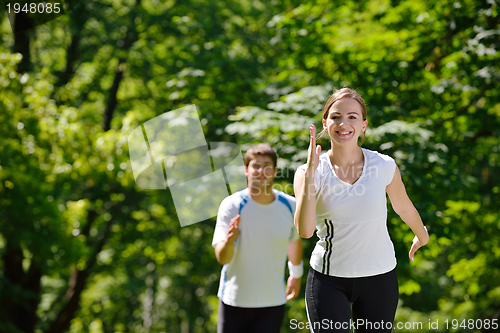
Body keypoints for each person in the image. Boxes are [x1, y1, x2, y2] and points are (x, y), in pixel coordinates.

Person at [293, 87, 429, 332]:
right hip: (328, 279)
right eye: (335, 116)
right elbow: (304, 230)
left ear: (364, 125)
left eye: (352, 116)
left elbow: (404, 207)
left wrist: (422, 235)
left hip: (380, 278)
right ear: (325, 123)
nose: (343, 123)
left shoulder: (384, 165)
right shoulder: (307, 172)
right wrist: (311, 176)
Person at [212, 143, 303, 333]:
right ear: (246, 170)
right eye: (256, 165)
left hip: (272, 302)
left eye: (267, 166)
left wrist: (296, 275)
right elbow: (222, 258)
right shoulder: (232, 205)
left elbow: (294, 240)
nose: (261, 171)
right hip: (234, 300)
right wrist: (230, 241)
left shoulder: (290, 206)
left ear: (275, 171)